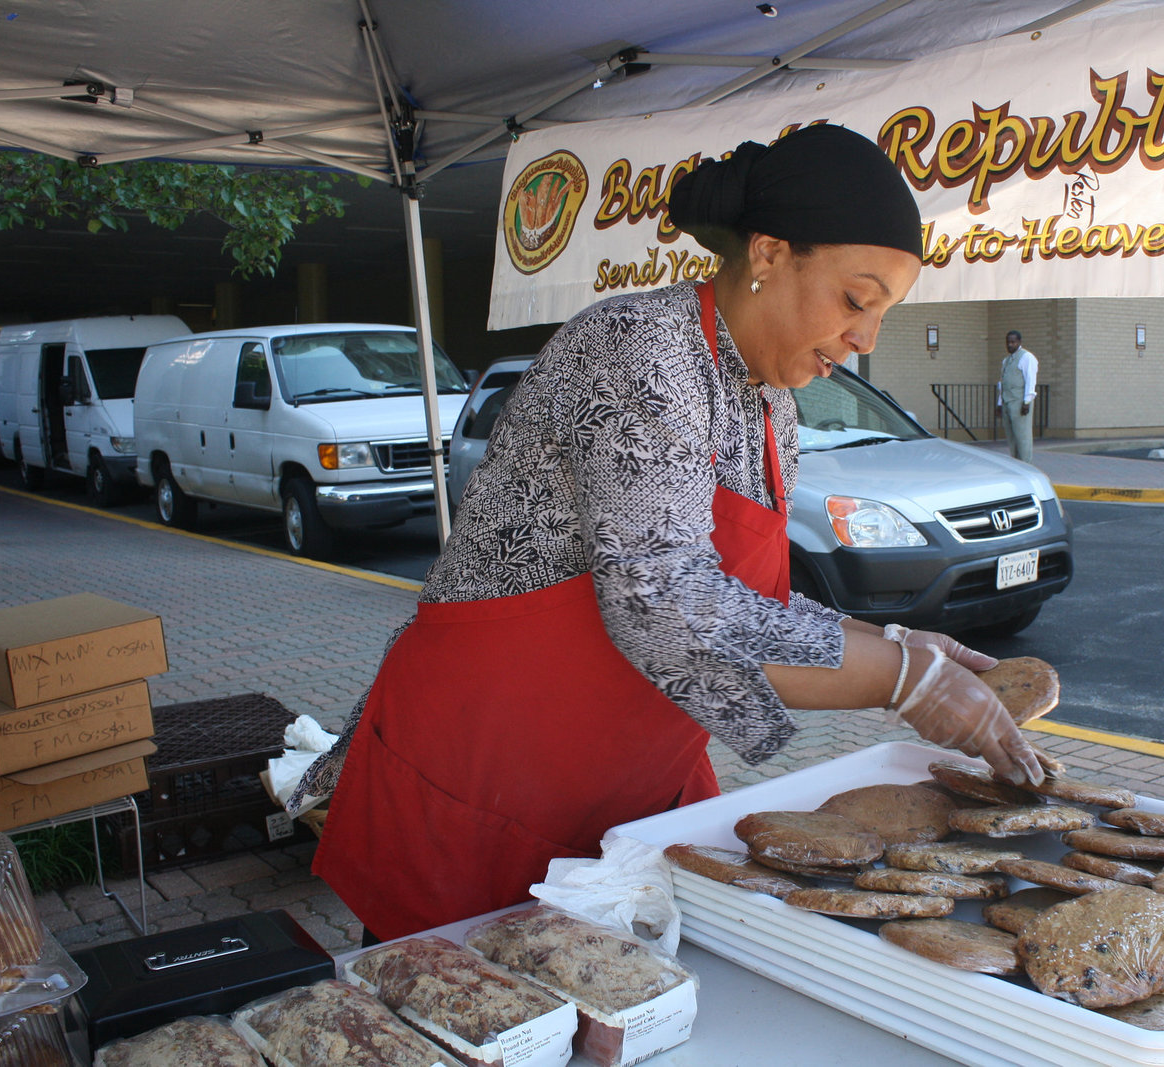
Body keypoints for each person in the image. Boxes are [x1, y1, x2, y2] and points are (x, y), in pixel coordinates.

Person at [295, 124, 1044, 942]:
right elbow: (663, 600)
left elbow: (748, 602)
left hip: (618, 775)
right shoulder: (638, 349)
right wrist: (903, 680)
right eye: (856, 300)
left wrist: (904, 641)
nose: (867, 339)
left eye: (883, 314)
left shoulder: (772, 406)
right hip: (487, 759)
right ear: (766, 253)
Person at [996, 329, 1038, 462]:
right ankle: (1016, 462)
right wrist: (999, 403)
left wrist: (1027, 402)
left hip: (1019, 402)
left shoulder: (1026, 357)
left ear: (1019, 342)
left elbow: (1031, 380)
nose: (1010, 345)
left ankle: (1026, 464)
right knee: (1011, 436)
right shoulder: (1006, 360)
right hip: (1007, 402)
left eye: (1013, 342)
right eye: (1008, 342)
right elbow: (1003, 383)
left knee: (1022, 436)